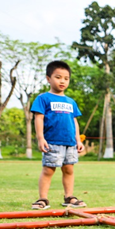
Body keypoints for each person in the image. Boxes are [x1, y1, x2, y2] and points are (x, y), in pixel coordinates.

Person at [30, 60, 85, 210]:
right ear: (48, 78)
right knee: (48, 169)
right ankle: (43, 199)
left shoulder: (71, 102)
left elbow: (74, 122)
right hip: (52, 141)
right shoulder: (43, 98)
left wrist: (78, 140)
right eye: (58, 77)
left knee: (69, 169)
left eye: (66, 78)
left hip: (70, 143)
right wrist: (40, 138)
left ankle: (69, 197)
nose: (62, 81)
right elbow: (38, 118)